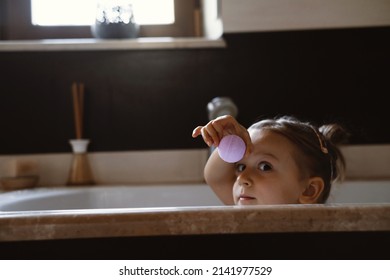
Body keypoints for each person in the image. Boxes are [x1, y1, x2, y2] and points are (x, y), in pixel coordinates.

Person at [192, 114, 349, 205]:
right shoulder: (244, 212)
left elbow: (216, 179)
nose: (242, 178)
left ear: (309, 190)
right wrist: (228, 142)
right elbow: (215, 177)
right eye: (240, 167)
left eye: (265, 166)